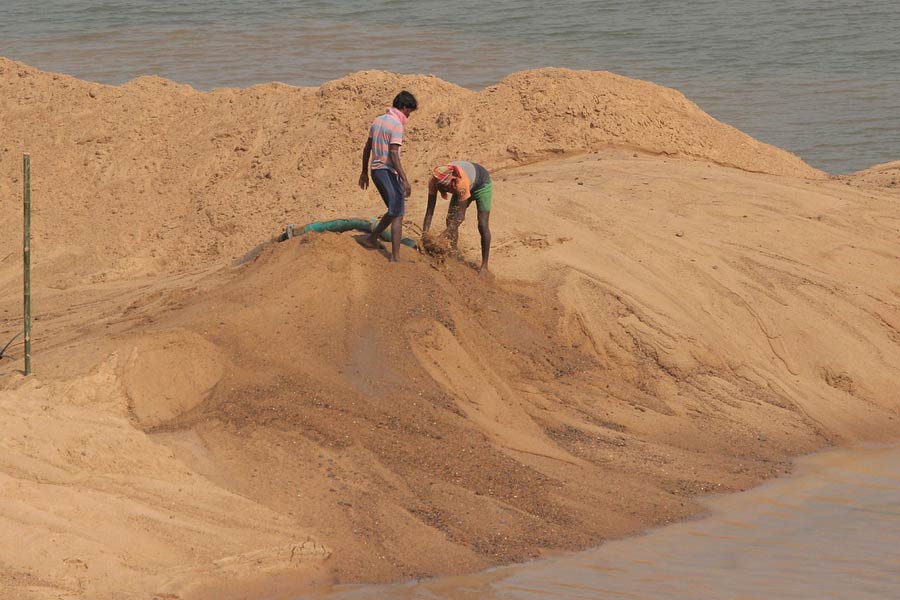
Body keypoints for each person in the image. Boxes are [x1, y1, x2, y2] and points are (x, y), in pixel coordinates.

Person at [358, 90, 418, 262]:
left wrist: (364, 172)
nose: (409, 116)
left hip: (376, 171)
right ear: (404, 107)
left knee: (394, 210)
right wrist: (405, 179)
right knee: (397, 212)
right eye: (409, 112)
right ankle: (395, 257)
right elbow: (393, 153)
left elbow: (367, 148)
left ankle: (372, 239)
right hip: (387, 171)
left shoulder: (378, 120)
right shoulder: (396, 125)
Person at [423, 161, 493, 272]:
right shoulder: (434, 181)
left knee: (482, 224)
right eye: (444, 190)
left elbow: (460, 217)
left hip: (482, 186)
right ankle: (454, 252)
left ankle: (484, 266)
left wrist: (441, 236)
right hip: (466, 183)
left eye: (448, 189)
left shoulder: (461, 183)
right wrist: (425, 236)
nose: (447, 191)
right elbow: (430, 210)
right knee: (450, 219)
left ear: (452, 182)